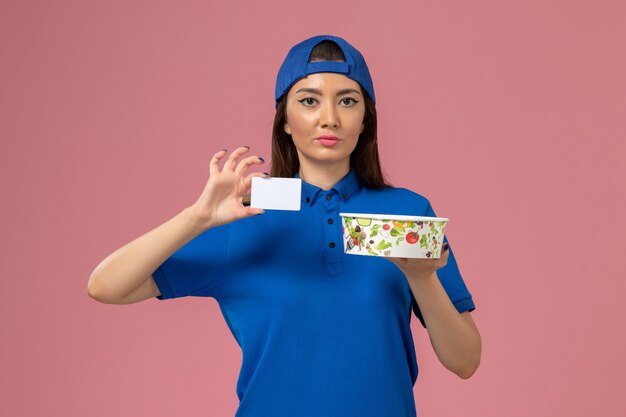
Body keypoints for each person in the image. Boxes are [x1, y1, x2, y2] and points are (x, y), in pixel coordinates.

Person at [88, 34, 481, 417]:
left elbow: (465, 361)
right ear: (286, 121)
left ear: (365, 121)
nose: (329, 118)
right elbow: (106, 286)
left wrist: (423, 279)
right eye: (309, 101)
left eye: (347, 101)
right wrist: (198, 217)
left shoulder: (405, 215)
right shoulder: (245, 214)